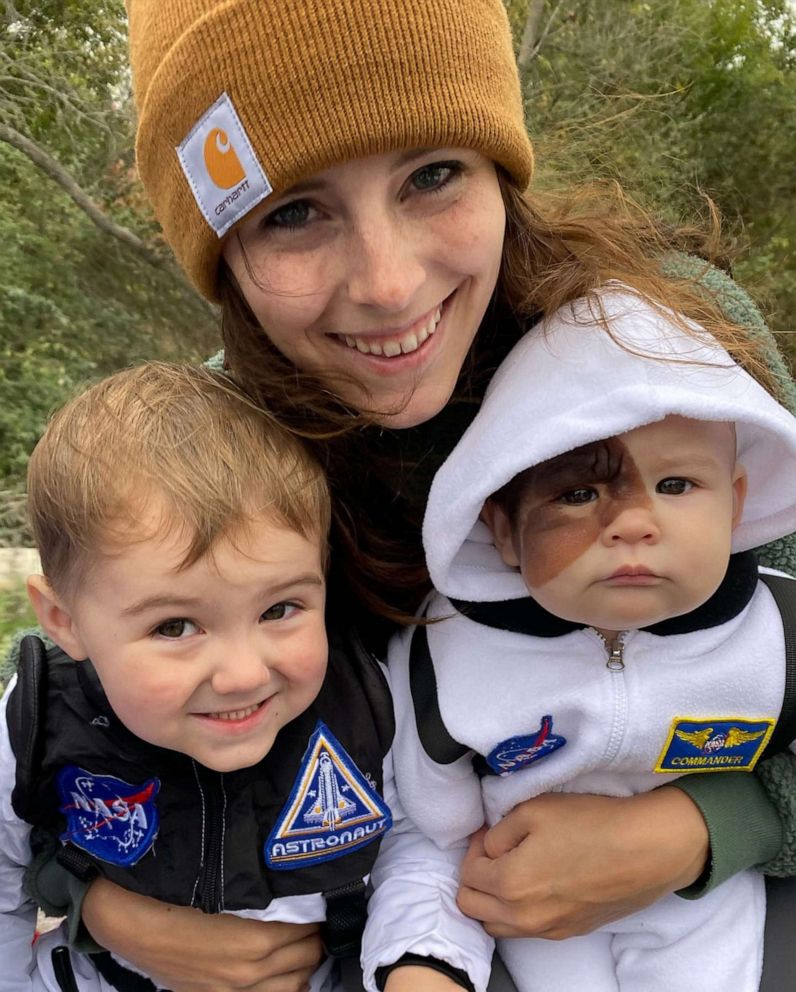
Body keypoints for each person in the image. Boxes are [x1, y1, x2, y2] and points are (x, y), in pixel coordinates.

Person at [16, 1, 796, 990]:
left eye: (432, 175)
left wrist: (702, 827)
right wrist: (99, 899)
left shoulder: (671, 352)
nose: (387, 285)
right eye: (294, 211)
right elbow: (78, 718)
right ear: (221, 254)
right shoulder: (222, 456)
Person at [363, 291, 796, 992]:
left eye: (677, 483)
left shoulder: (779, 632)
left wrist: (719, 825)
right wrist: (424, 955)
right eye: (579, 494)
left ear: (737, 504)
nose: (633, 523)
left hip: (708, 914)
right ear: (501, 528)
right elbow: (430, 833)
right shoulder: (445, 657)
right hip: (516, 920)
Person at [0, 363, 393, 991]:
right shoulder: (38, 718)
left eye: (279, 609)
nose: (242, 675)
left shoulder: (366, 699)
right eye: (175, 627)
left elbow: (421, 855)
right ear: (64, 620)